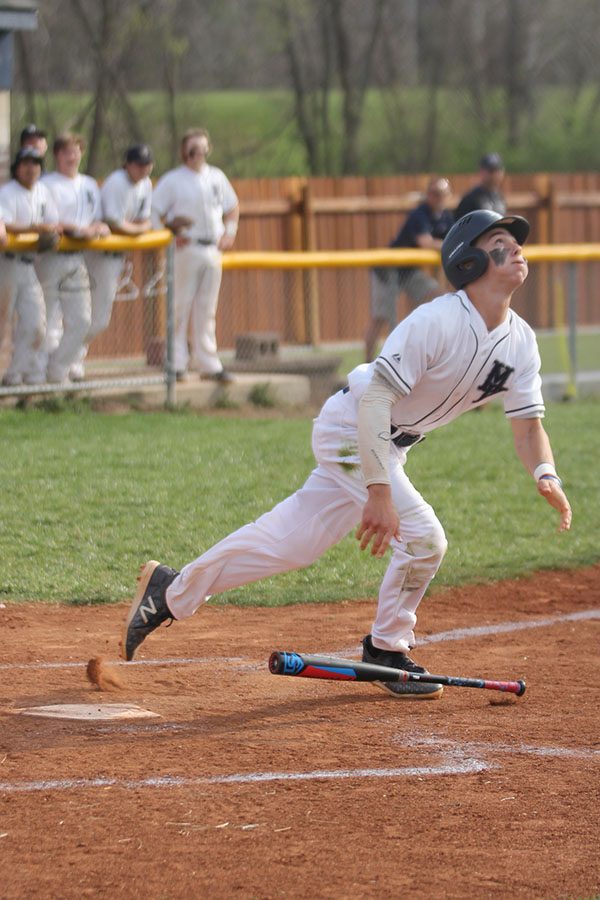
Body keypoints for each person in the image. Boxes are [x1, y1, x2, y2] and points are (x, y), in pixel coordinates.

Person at [120, 209, 572, 700]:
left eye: (517, 241)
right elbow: (376, 401)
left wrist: (545, 473)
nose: (518, 249)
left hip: (386, 445)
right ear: (468, 261)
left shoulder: (522, 342)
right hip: (353, 426)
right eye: (502, 241)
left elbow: (529, 428)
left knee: (290, 544)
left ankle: (172, 590)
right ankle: (386, 648)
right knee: (424, 538)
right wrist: (379, 490)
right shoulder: (436, 321)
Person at [151, 128, 239, 382]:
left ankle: (208, 363)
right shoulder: (173, 180)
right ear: (183, 152)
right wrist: (168, 237)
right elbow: (154, 212)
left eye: (201, 149)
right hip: (186, 248)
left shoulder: (216, 177)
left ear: (208, 149)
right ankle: (177, 363)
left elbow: (232, 207)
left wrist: (230, 232)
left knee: (206, 308)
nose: (197, 154)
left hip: (212, 248)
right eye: (192, 149)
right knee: (180, 306)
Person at [72, 143, 155, 381]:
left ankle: (73, 359)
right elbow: (114, 223)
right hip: (98, 255)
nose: (142, 169)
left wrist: (137, 229)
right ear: (127, 164)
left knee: (98, 318)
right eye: (138, 164)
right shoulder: (118, 182)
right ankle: (68, 361)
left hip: (116, 256)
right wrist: (137, 231)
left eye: (146, 164)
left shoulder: (146, 184)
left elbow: (146, 220)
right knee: (88, 316)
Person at [33, 133, 109, 384]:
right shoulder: (46, 183)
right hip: (50, 256)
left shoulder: (88, 184)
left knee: (82, 320)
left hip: (77, 258)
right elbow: (48, 221)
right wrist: (79, 228)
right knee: (48, 321)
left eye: (76, 151)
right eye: (66, 152)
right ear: (57, 155)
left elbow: (96, 217)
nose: (72, 156)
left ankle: (56, 370)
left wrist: (98, 226)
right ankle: (39, 377)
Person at [365, 177, 454, 362]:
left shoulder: (446, 217)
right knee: (380, 317)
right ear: (428, 195)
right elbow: (425, 243)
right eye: (434, 193)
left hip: (410, 271)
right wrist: (449, 245)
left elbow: (452, 239)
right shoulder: (419, 214)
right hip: (388, 271)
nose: (438, 198)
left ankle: (431, 355)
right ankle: (367, 363)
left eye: (443, 193)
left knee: (441, 298)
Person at [0, 147, 60, 386]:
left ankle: (13, 377)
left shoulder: (43, 191)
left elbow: (52, 224)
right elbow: (4, 224)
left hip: (28, 265)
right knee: (2, 323)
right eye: (25, 163)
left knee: (37, 325)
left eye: (35, 163)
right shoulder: (7, 192)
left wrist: (50, 232)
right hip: (7, 264)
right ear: (17, 168)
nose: (30, 167)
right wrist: (34, 228)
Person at [454, 153, 507, 221]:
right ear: (481, 171)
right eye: (490, 171)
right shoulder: (471, 198)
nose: (494, 175)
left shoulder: (500, 197)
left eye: (497, 170)